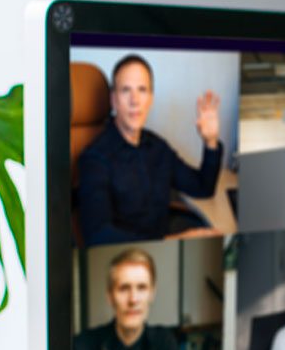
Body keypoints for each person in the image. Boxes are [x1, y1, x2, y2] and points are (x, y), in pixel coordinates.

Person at [78, 54, 223, 246]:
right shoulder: (94, 159)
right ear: (113, 100)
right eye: (125, 90)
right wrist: (176, 240)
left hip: (164, 248)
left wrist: (210, 141)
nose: (134, 100)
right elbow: (98, 236)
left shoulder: (158, 148)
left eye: (142, 90)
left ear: (151, 99)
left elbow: (203, 187)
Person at [72, 248, 200, 350]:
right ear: (110, 296)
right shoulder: (81, 348)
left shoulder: (163, 342)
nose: (133, 299)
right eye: (124, 288)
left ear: (152, 294)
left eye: (142, 288)